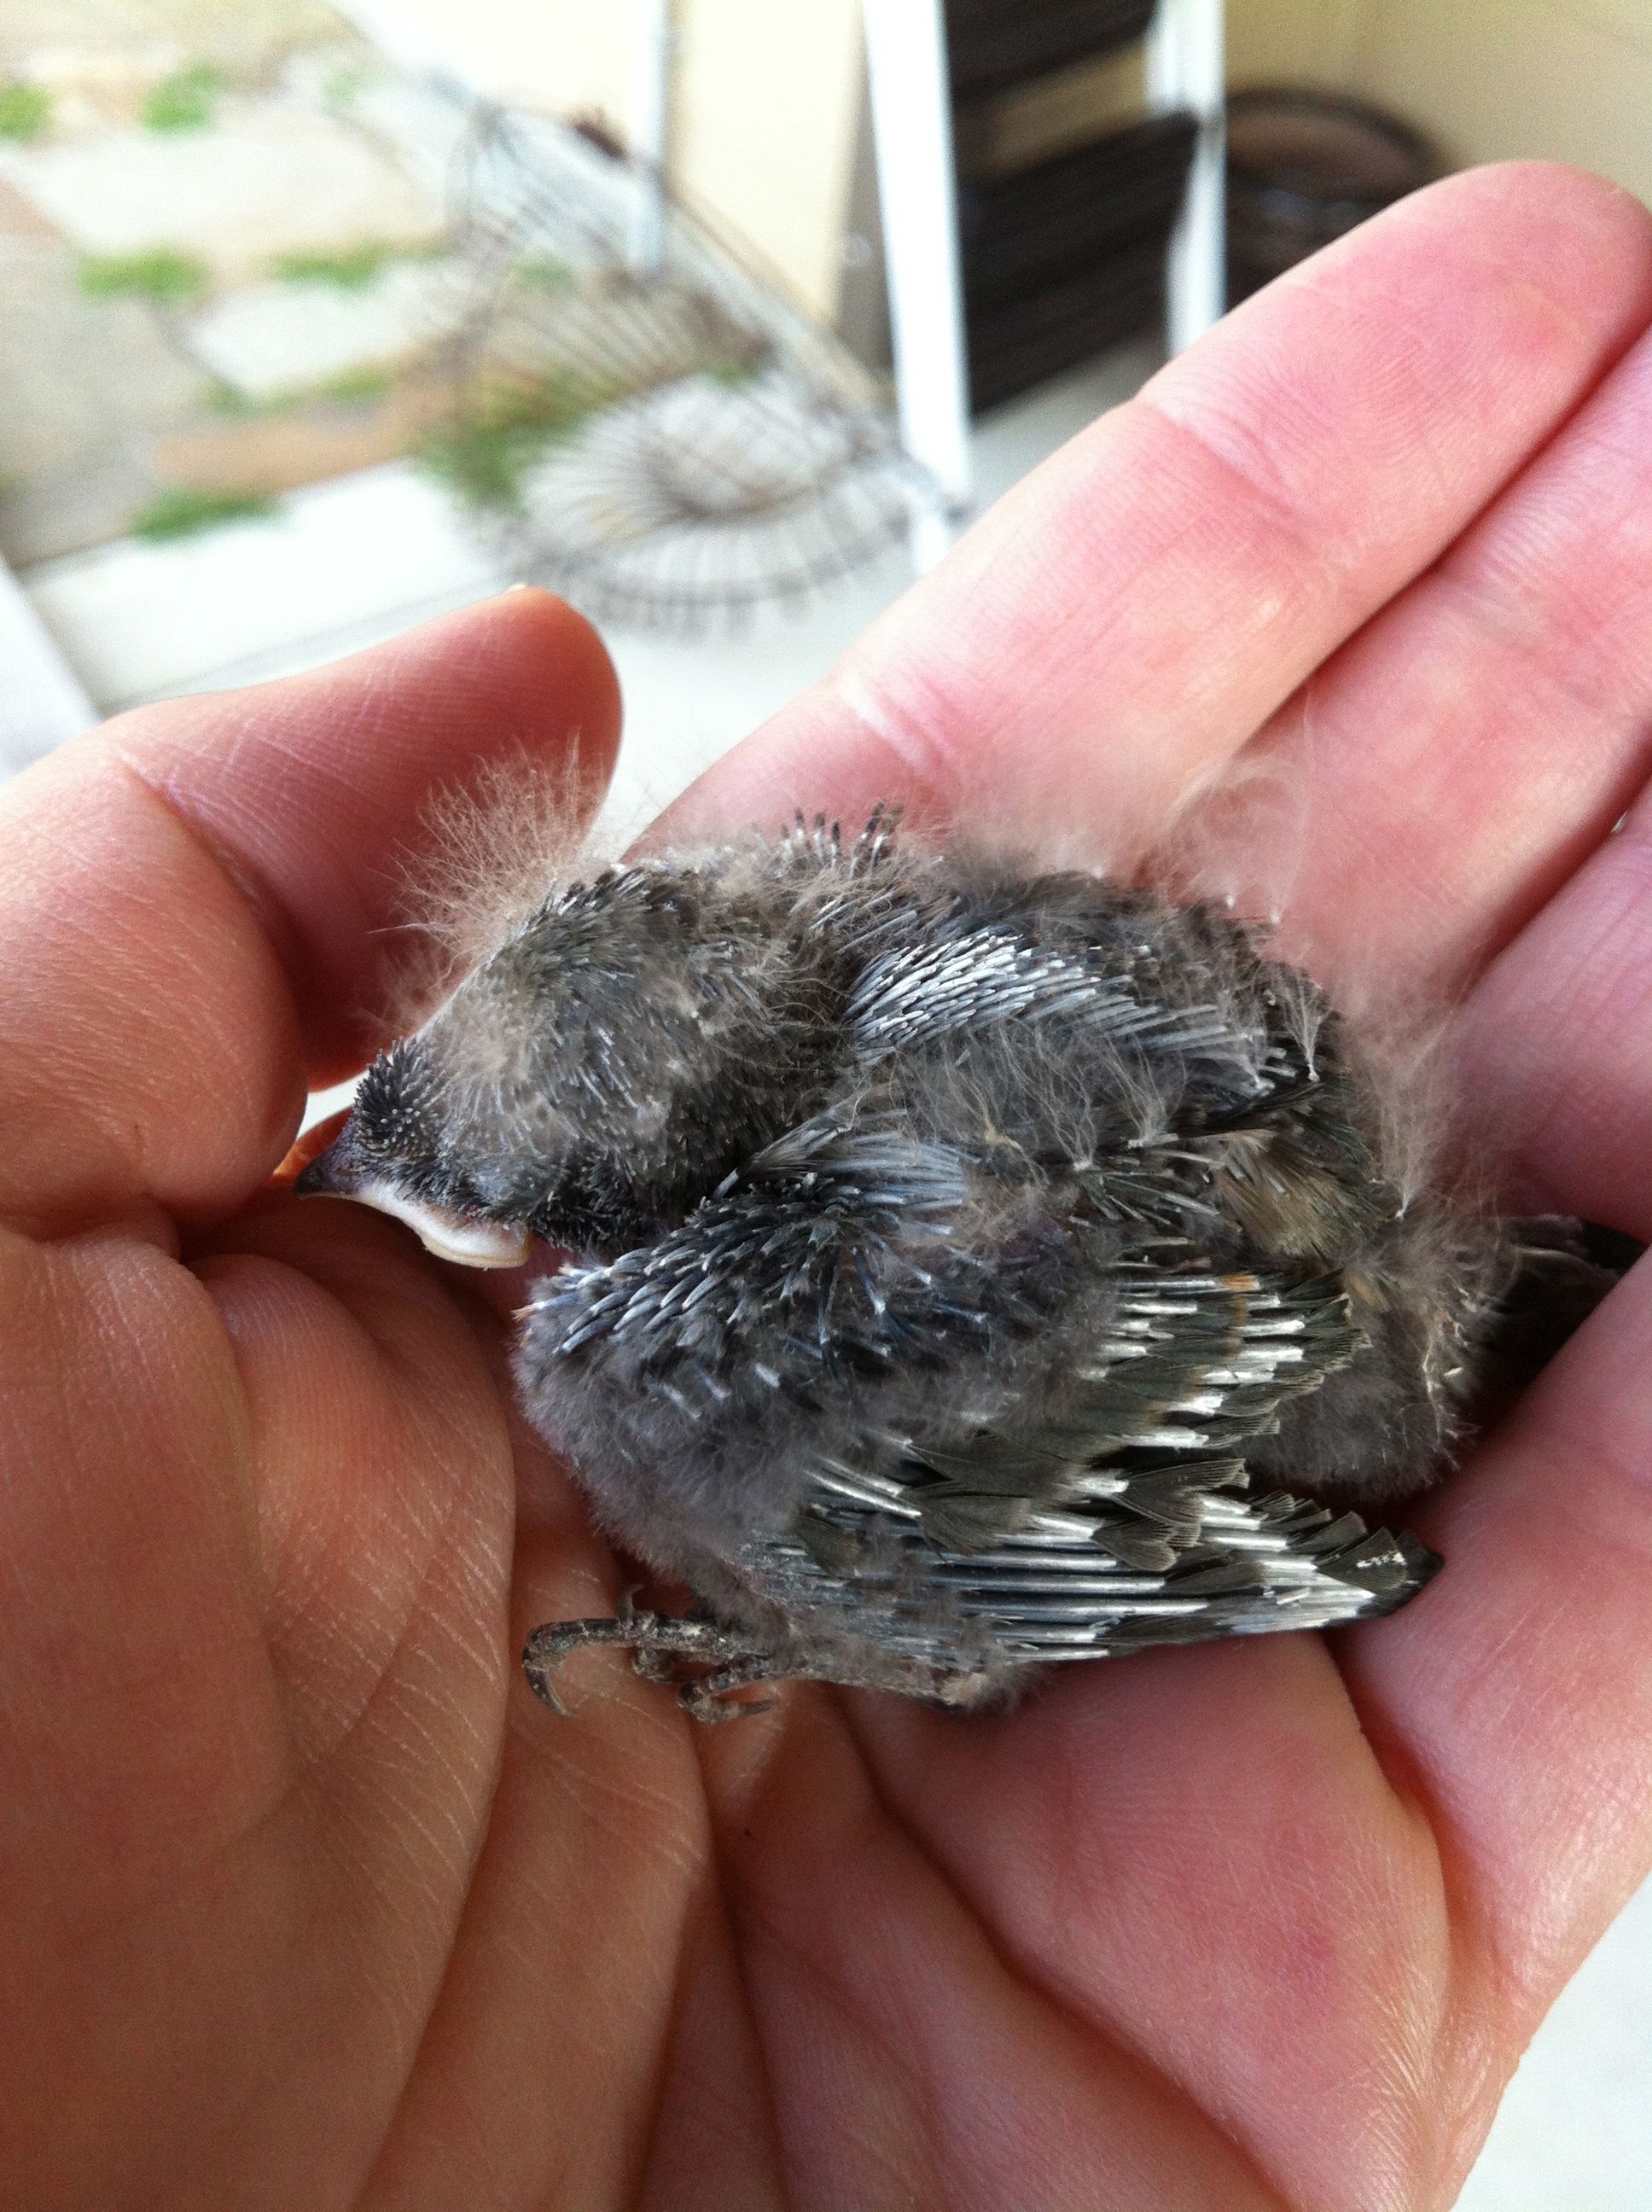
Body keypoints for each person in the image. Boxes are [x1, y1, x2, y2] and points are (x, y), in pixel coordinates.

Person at [3, 160, 1650, 2209]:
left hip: (1277, 1362)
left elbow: (1005, 1556)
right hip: (1302, 1227)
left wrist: (841, 1617)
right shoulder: (829, 925)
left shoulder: (668, 1357)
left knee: (759, 1456)